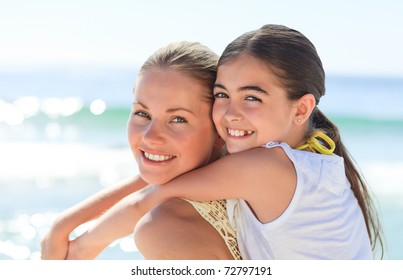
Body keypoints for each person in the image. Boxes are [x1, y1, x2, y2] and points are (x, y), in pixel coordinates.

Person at [66, 24, 383, 260]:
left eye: (251, 97)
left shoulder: (268, 166)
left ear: (301, 108)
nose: (231, 113)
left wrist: (80, 249)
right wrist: (66, 223)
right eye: (222, 95)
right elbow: (159, 180)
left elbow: (146, 199)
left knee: (157, 227)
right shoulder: (304, 161)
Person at [41, 41, 241, 260]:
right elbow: (146, 188)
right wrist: (64, 228)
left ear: (220, 132)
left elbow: (142, 201)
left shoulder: (164, 230)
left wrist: (81, 246)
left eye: (178, 119)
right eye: (142, 114)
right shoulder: (211, 176)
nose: (150, 137)